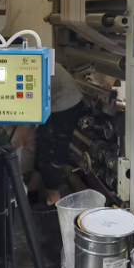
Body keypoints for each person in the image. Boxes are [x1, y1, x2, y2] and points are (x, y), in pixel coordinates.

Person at [26, 62, 83, 205]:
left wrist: (23, 136)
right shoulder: (23, 64)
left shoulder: (28, 69)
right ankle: (33, 188)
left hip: (67, 105)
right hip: (56, 102)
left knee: (49, 152)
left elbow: (27, 112)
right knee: (42, 144)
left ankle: (54, 199)